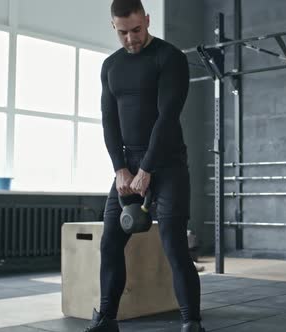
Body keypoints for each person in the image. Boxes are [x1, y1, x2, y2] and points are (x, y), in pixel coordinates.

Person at [83, 1, 204, 331]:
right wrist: (120, 169)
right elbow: (109, 121)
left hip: (167, 164)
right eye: (123, 32)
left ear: (147, 20)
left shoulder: (170, 58)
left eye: (137, 30)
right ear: (113, 27)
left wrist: (146, 170)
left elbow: (167, 118)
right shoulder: (111, 66)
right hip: (128, 166)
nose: (131, 39)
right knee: (110, 242)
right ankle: (107, 318)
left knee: (174, 244)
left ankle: (191, 323)